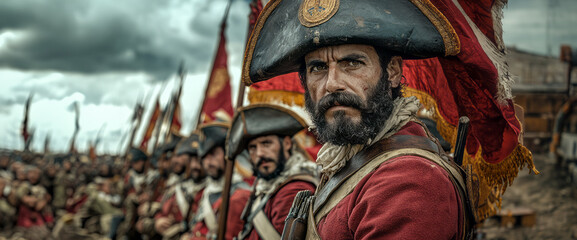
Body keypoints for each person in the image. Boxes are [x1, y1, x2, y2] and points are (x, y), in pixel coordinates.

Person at [241, 0, 474, 239]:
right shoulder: (351, 164)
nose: (332, 84)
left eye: (351, 63)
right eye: (318, 68)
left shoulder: (410, 178)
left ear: (392, 71)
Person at [227, 104, 318, 240]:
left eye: (266, 143)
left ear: (287, 143)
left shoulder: (293, 189)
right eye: (252, 147)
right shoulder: (267, 186)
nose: (259, 154)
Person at [188, 122, 251, 240]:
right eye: (204, 157)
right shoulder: (208, 191)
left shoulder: (239, 194)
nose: (208, 162)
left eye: (213, 154)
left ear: (227, 155)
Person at [154, 134, 207, 240]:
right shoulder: (180, 186)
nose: (194, 166)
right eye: (191, 161)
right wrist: (158, 220)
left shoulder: (206, 191)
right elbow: (163, 208)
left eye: (199, 161)